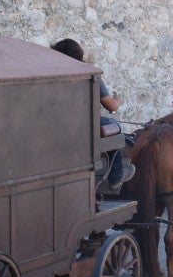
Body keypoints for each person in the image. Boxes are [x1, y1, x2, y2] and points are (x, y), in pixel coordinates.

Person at [51, 38, 134, 192]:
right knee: (115, 126)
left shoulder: (51, 73)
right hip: (84, 124)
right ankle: (116, 176)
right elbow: (111, 106)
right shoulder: (89, 73)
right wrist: (118, 99)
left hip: (57, 123)